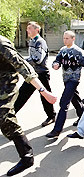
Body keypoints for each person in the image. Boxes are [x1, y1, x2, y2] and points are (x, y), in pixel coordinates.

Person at [0, 35, 57, 176]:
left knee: (4, 117)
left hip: (5, 84)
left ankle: (26, 156)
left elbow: (23, 66)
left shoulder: (1, 44)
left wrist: (44, 92)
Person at [46, 31, 84, 138]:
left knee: (64, 103)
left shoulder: (78, 51)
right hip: (65, 79)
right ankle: (82, 116)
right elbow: (57, 60)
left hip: (74, 80)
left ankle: (57, 130)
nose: (65, 40)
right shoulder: (62, 50)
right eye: (64, 38)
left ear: (73, 39)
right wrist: (55, 65)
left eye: (67, 38)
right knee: (75, 99)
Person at [14, 21, 56, 127]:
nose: (27, 30)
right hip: (32, 74)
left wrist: (23, 61)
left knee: (45, 96)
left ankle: (51, 116)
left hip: (41, 74)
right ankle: (8, 117)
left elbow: (38, 59)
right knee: (22, 95)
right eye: (27, 28)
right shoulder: (32, 41)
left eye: (29, 28)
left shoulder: (40, 42)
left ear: (37, 30)